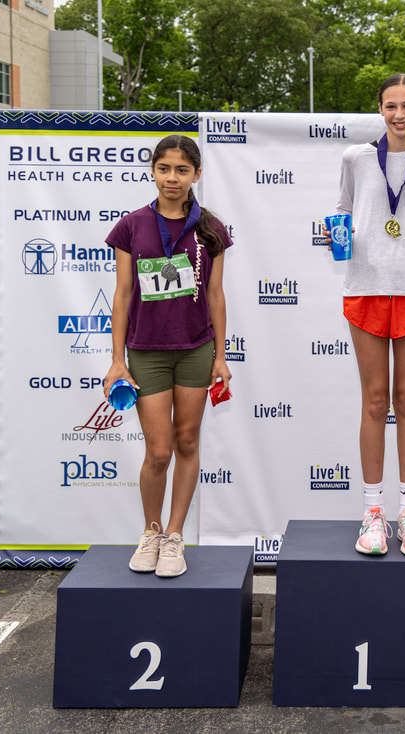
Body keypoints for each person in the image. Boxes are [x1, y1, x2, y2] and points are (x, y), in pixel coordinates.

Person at [332, 73, 405, 556]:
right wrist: (336, 232)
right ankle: (372, 512)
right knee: (374, 401)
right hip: (365, 288)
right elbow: (342, 211)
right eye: (390, 106)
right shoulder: (356, 158)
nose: (399, 114)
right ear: (379, 109)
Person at [103, 135, 233, 577]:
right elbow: (122, 294)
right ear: (153, 171)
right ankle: (151, 531)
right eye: (164, 168)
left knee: (187, 442)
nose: (172, 178)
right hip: (145, 352)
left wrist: (220, 355)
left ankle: (175, 536)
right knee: (158, 451)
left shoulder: (210, 228)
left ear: (197, 174)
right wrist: (117, 359)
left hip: (195, 350)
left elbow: (215, 294)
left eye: (181, 170)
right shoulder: (131, 226)